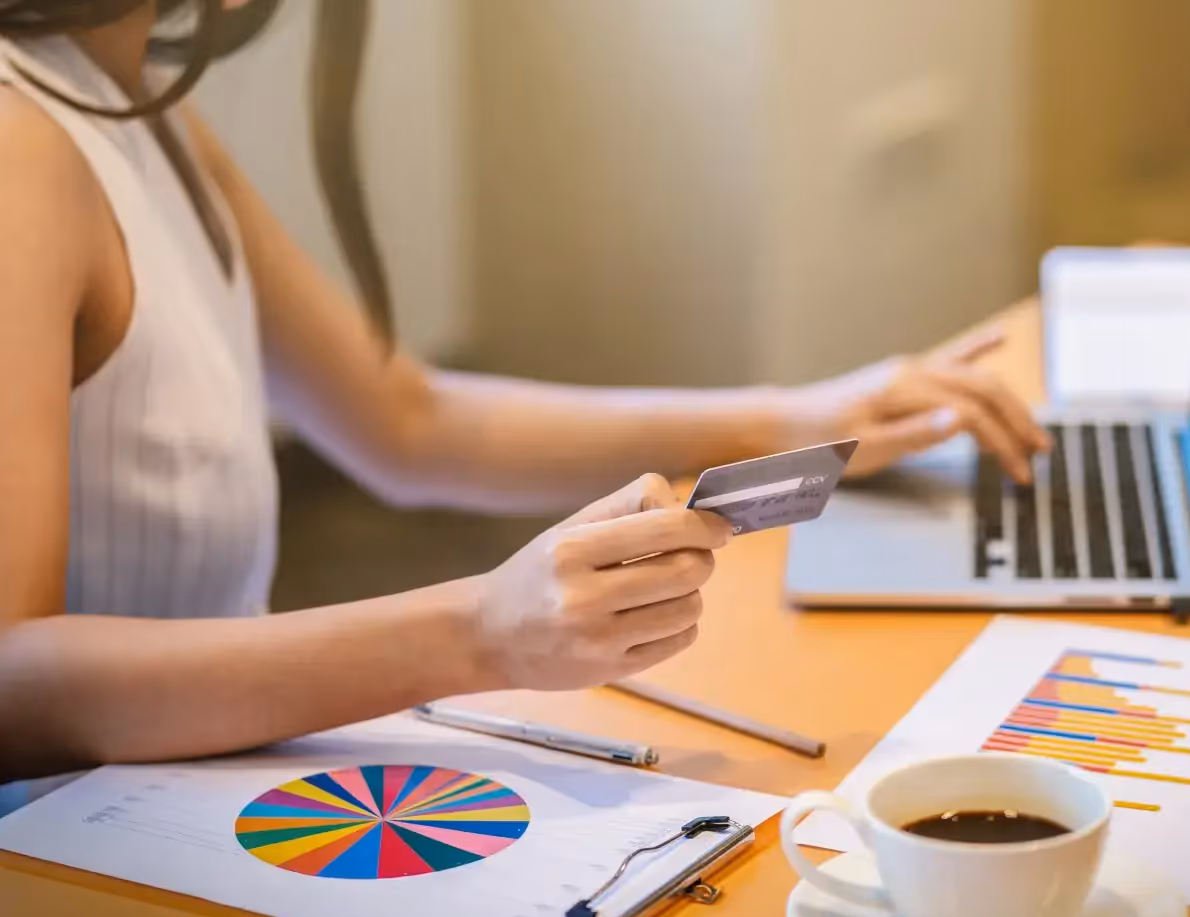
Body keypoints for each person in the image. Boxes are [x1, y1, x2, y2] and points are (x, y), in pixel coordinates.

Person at [0, 0, 1046, 787]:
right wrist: (480, 632)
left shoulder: (140, 111)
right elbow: (12, 678)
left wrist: (801, 416)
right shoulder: (21, 144)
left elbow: (408, 423)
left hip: (193, 783)